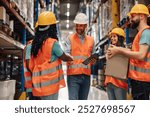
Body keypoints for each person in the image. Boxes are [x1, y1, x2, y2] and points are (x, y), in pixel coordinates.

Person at [107, 4, 150, 100]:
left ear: (142, 16)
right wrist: (119, 50)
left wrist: (118, 50)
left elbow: (141, 55)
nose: (131, 19)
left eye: (133, 16)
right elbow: (134, 52)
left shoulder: (146, 33)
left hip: (142, 81)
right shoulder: (140, 33)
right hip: (138, 80)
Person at [29, 11, 73, 100]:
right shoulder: (53, 43)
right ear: (52, 27)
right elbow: (63, 57)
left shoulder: (34, 44)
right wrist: (70, 57)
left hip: (37, 84)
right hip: (50, 85)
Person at [65, 13, 95, 100]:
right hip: (73, 76)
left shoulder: (91, 40)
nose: (78, 28)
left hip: (86, 76)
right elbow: (66, 55)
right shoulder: (69, 38)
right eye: (77, 25)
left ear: (86, 26)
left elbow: (92, 55)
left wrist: (93, 60)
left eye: (81, 26)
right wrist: (68, 58)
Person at [105, 28, 128, 100]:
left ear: (120, 38)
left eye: (114, 36)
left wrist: (117, 50)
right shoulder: (110, 50)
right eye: (111, 36)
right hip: (109, 82)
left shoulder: (125, 51)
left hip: (119, 84)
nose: (112, 38)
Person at [23, 22, 39, 100]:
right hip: (32, 86)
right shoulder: (30, 46)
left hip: (39, 86)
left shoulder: (40, 46)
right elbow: (29, 65)